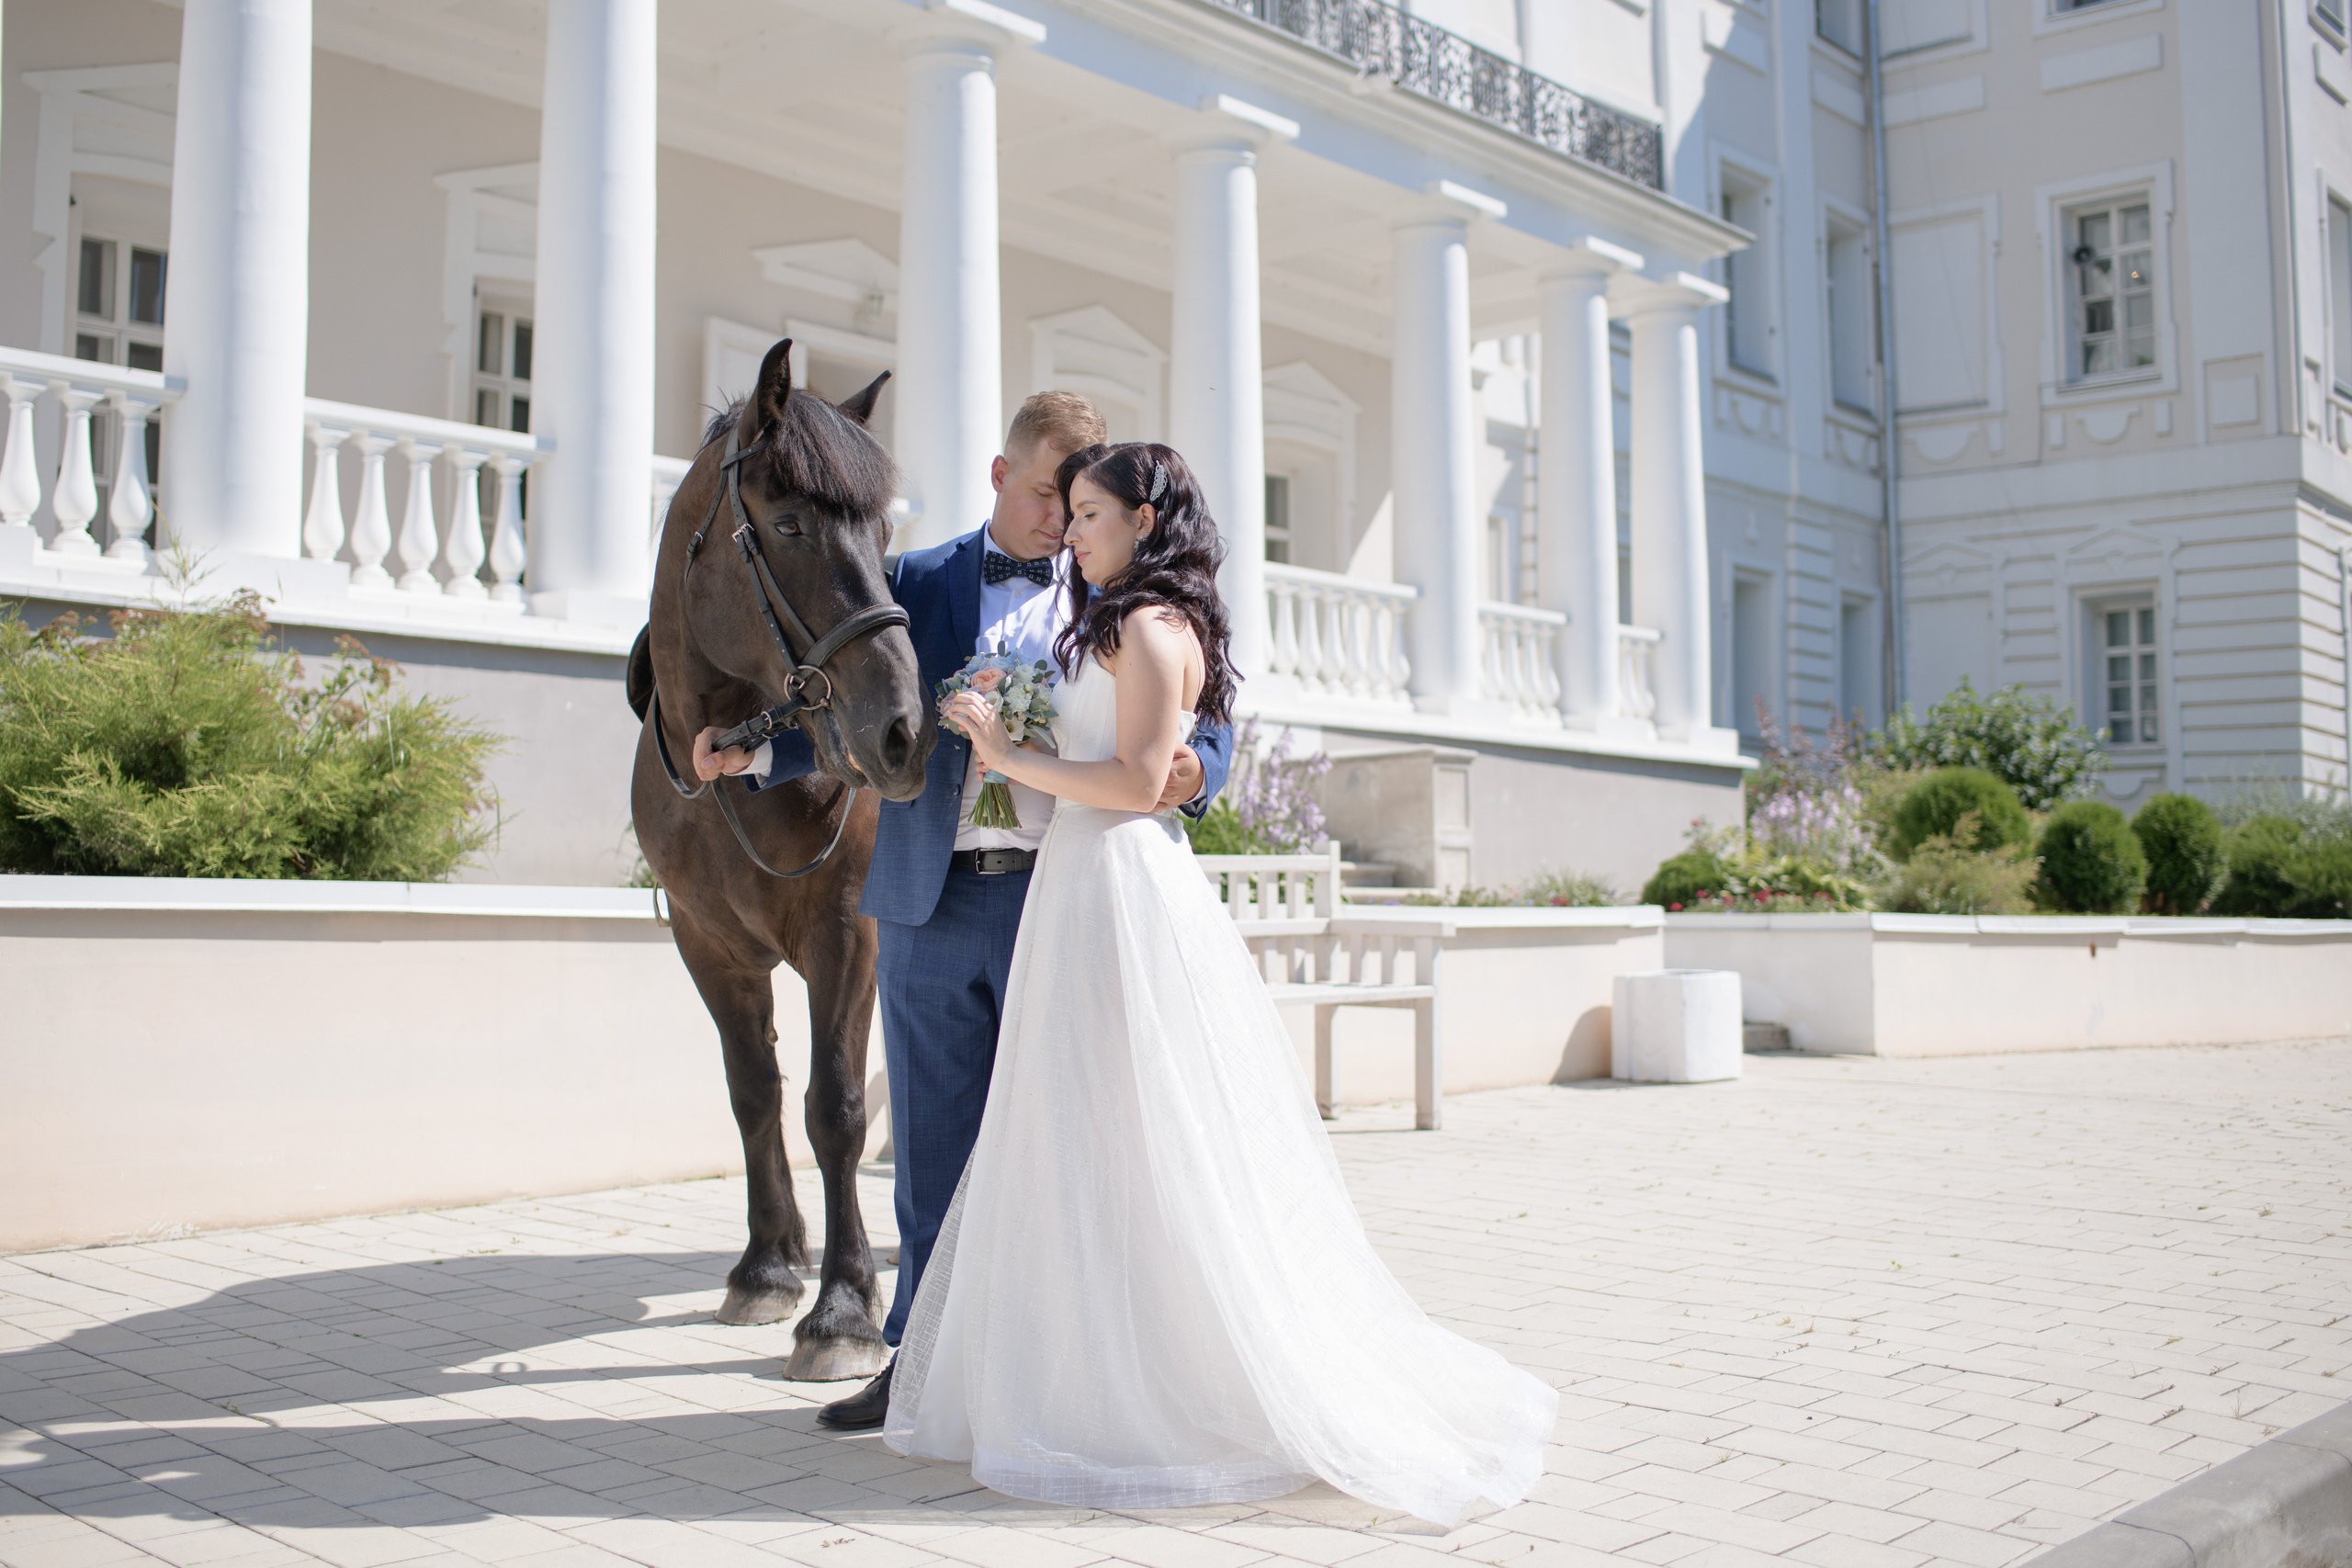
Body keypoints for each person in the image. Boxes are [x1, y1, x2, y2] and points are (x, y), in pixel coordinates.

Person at [894, 442, 1555, 1529]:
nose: (1071, 530)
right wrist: (1007, 714)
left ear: (1145, 521)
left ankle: (1164, 1381)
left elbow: (1139, 782)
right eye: (1070, 512)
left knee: (1142, 1130)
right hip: (1074, 884)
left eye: (1091, 513)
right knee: (1077, 1133)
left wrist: (1006, 759)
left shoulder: (1153, 628)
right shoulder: (1106, 622)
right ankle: (1075, 1368)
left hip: (1118, 884)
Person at [690, 394, 1234, 1430]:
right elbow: (848, 709)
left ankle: (1058, 1372)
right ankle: (921, 1368)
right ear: (999, 475)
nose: (1062, 521)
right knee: (933, 1150)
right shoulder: (914, 581)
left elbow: (1207, 718)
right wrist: (758, 754)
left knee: (1064, 1145)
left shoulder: (1120, 591)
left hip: (1059, 899)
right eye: (1047, 495)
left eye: (1079, 502)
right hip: (926, 898)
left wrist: (1193, 772)